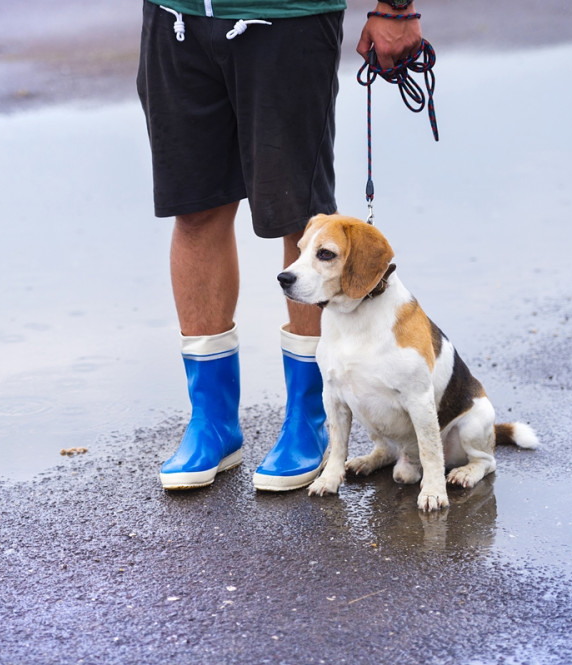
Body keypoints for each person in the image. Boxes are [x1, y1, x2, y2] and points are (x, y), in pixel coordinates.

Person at [136, 0, 424, 491]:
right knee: (195, 209)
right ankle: (213, 423)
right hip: (175, 17)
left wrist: (396, 8)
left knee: (300, 217)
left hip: (287, 17)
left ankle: (311, 419)